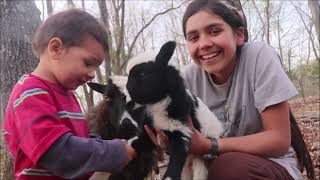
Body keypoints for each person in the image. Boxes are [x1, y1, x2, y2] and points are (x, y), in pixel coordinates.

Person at [145, 0, 314, 179]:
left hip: (268, 167)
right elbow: (187, 141)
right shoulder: (185, 78)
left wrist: (210, 146)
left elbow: (278, 140)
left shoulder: (259, 57)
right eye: (194, 37)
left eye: (214, 31)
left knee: (228, 168)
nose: (204, 44)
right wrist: (170, 143)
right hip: (211, 170)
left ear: (239, 35)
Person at [2, 9, 135, 180]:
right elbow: (57, 152)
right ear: (56, 48)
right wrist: (114, 152)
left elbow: (80, 139)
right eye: (88, 63)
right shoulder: (29, 93)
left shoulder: (67, 95)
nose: (93, 74)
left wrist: (108, 143)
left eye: (96, 67)